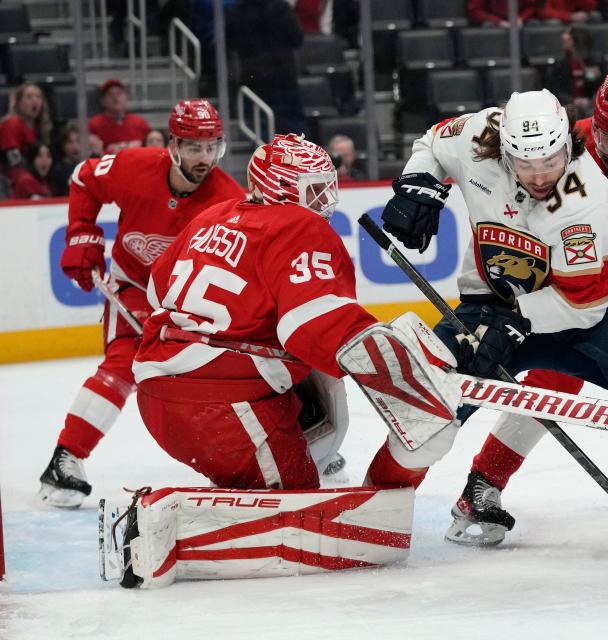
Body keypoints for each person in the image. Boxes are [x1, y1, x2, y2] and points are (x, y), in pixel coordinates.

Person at [116, 134, 471, 589]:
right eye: (313, 189)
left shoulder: (212, 214)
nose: (325, 199)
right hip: (222, 410)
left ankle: (249, 485)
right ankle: (167, 525)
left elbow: (158, 291)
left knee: (311, 394)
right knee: (306, 519)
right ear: (282, 188)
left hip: (162, 393)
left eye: (327, 186)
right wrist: (396, 370)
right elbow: (314, 324)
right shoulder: (300, 227)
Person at [381, 87, 608, 548]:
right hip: (488, 304)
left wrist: (516, 321)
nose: (540, 175)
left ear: (568, 143)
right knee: (429, 401)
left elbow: (581, 303)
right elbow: (433, 143)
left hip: (577, 310)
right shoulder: (479, 135)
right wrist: (420, 183)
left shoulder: (587, 200)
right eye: (525, 164)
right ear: (503, 149)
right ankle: (377, 504)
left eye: (550, 161)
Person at [38, 100, 247, 509]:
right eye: (193, 148)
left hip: (183, 302)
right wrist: (81, 233)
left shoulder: (227, 202)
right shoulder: (133, 166)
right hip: (132, 284)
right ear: (173, 144)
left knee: (213, 378)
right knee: (122, 362)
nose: (204, 159)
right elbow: (83, 178)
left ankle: (278, 445)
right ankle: (65, 459)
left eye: (211, 148)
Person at [226, 0, 308, 136]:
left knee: (261, 129)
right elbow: (297, 38)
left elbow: (230, 43)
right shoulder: (281, 7)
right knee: (294, 125)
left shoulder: (237, 12)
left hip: (254, 79)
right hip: (284, 77)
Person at [545, 24, 603, 114]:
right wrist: (572, 100)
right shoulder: (561, 64)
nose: (563, 37)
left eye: (568, 34)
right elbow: (554, 90)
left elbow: (601, 88)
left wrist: (590, 100)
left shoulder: (595, 62)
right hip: (567, 104)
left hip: (590, 105)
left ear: (577, 39)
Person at [0, 83, 51, 182]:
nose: (35, 100)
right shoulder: (12, 123)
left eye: (38, 97)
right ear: (18, 102)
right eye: (29, 97)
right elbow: (13, 162)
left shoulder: (40, 128)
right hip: (13, 180)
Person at [88, 79, 152, 155]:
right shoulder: (94, 125)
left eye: (119, 94)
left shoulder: (140, 123)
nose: (115, 98)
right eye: (110, 94)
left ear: (126, 98)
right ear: (103, 101)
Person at [468, 0, 536, 27]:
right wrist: (499, 22)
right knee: (488, 26)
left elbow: (531, 6)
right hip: (493, 21)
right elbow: (474, 10)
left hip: (518, 21)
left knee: (534, 25)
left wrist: (521, 18)